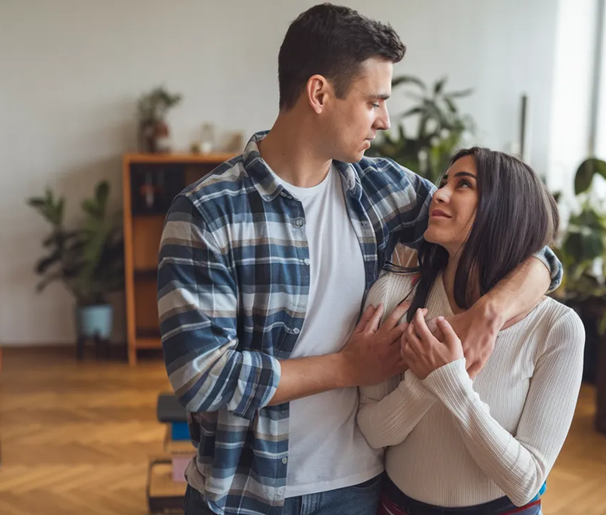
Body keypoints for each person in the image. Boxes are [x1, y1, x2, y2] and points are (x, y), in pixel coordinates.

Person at [157, 5, 563, 515]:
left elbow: (525, 244)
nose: (385, 120)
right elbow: (203, 377)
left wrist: (492, 311)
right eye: (374, 101)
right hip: (243, 491)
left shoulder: (387, 191)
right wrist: (347, 367)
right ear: (320, 93)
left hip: (361, 487)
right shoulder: (207, 213)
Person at [357, 148, 585, 515]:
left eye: (463, 184)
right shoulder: (395, 297)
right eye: (444, 181)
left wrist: (450, 382)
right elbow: (371, 432)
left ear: (505, 208)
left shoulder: (557, 328)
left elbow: (525, 481)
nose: (439, 193)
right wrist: (424, 384)